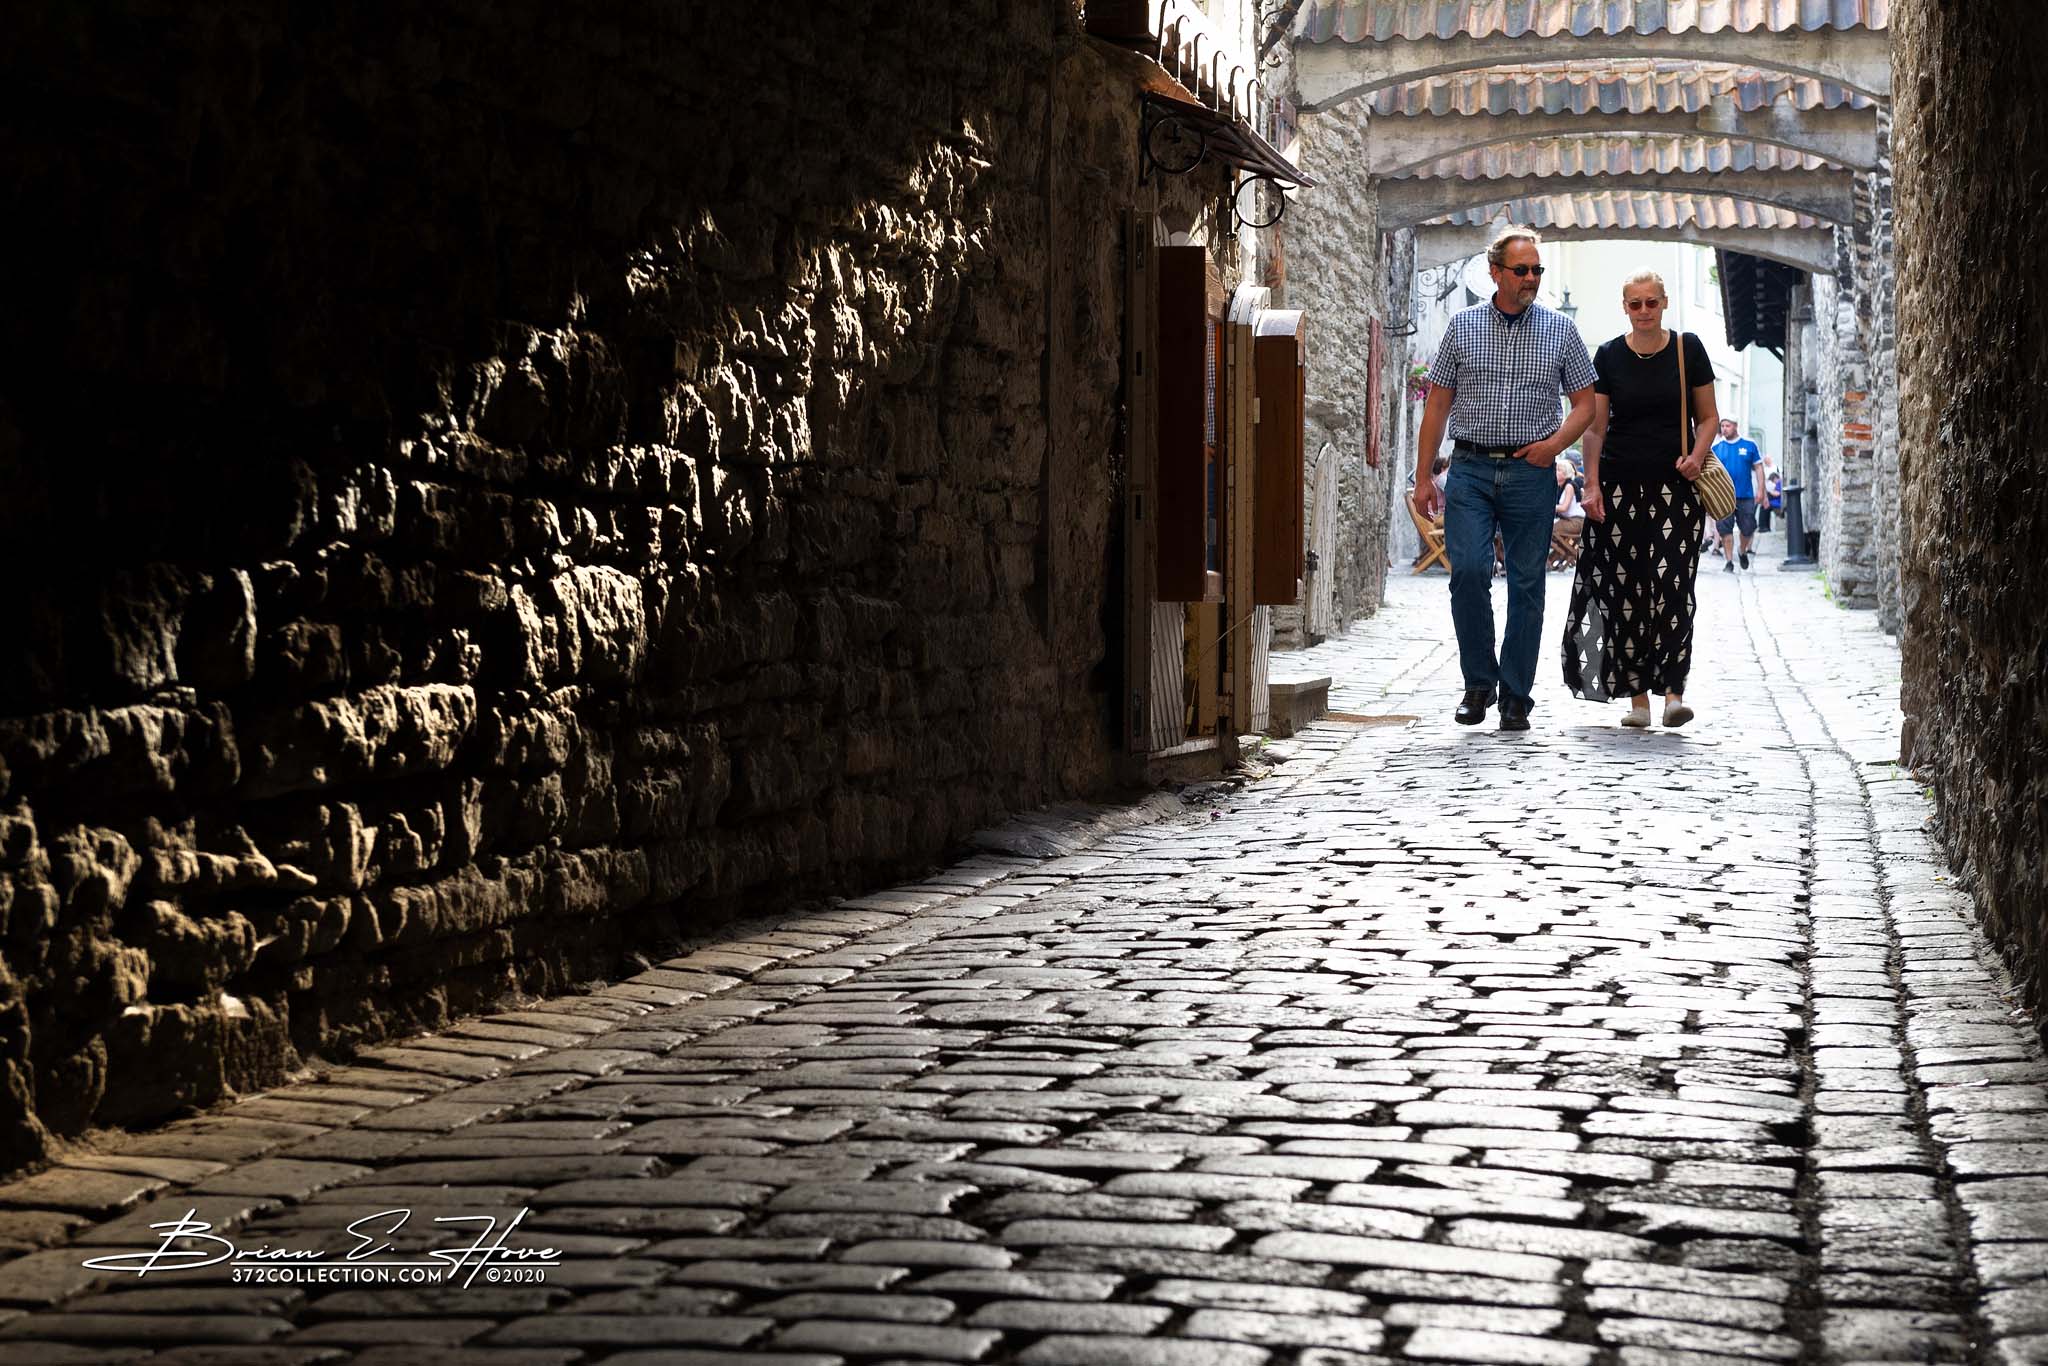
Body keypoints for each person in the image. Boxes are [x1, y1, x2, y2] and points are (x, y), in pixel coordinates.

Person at [1411, 224, 1596, 732]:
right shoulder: (1462, 326)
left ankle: (1516, 695)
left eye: (1537, 270)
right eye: (1521, 270)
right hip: (1470, 468)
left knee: (1527, 583)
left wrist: (1554, 447)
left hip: (1530, 471)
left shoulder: (1561, 330)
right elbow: (1437, 405)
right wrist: (1424, 477)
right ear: (1496, 272)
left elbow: (1585, 405)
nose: (1531, 278)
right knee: (1469, 572)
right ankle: (1479, 683)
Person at [1561, 270, 1719, 729]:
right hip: (1619, 488)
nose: (1644, 311)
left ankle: (1673, 694)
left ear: (1664, 303)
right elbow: (1595, 428)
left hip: (1676, 489)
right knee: (1625, 590)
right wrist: (1591, 485)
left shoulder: (1688, 349)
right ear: (1625, 307)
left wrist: (1696, 457)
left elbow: (1709, 417)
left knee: (1673, 589)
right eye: (1636, 304)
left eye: (1652, 302)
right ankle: (1637, 700)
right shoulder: (1609, 355)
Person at [1711, 418, 1766, 570]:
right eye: (1722, 426)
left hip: (1745, 495)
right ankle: (1729, 562)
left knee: (1748, 527)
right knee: (1725, 529)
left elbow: (1759, 467)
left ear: (1735, 426)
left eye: (1727, 425)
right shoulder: (1716, 448)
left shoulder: (1749, 445)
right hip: (1724, 496)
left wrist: (1761, 490)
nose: (1724, 428)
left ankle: (1742, 550)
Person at [1759, 461, 1784, 533]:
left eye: (1773, 481)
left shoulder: (1779, 483)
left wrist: (1769, 492)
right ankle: (1764, 527)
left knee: (1764, 507)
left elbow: (1778, 493)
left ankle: (1763, 527)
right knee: (1764, 506)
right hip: (1776, 502)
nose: (1773, 483)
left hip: (1778, 504)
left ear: (1775, 479)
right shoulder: (1779, 483)